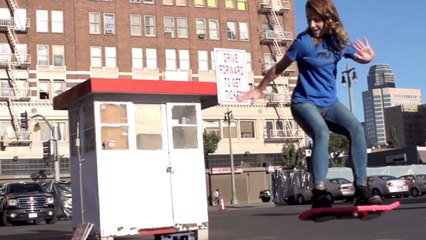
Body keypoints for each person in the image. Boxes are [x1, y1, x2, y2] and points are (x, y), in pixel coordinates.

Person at [237, 0, 382, 208]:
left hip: (330, 104)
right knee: (321, 133)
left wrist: (367, 59)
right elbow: (277, 68)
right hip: (303, 103)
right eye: (309, 19)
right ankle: (319, 192)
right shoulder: (303, 42)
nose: (312, 24)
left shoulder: (337, 42)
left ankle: (361, 188)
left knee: (357, 130)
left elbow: (356, 56)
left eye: (317, 19)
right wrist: (259, 89)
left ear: (329, 18)